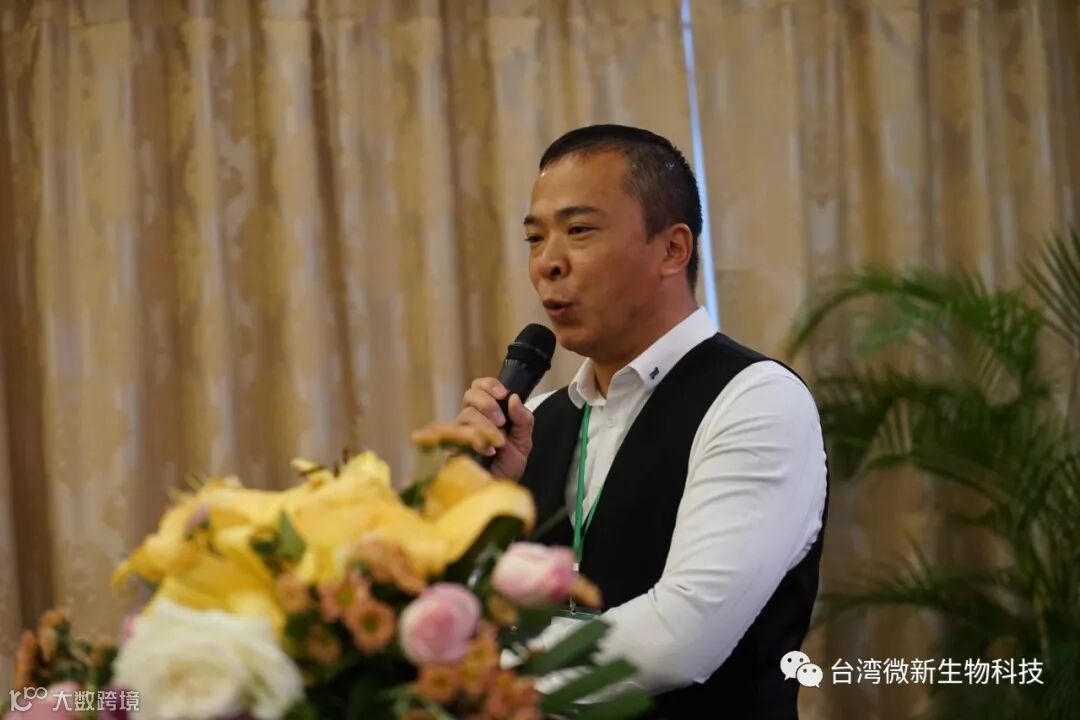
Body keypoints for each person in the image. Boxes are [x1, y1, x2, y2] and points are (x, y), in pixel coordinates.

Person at [455, 124, 828, 718]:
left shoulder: (755, 402)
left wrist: (474, 669)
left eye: (579, 231)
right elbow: (468, 610)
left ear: (673, 249)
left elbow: (679, 638)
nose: (548, 263)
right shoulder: (539, 418)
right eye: (534, 238)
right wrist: (481, 508)